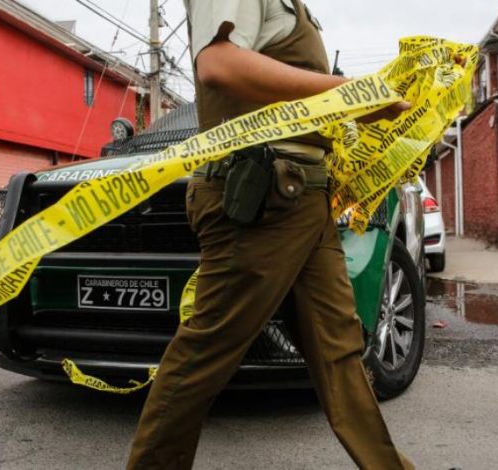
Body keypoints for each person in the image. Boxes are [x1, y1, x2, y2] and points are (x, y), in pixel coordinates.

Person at [126, 1, 414, 469]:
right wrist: (350, 93)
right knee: (203, 356)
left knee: (340, 353)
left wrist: (357, 108)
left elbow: (292, 93)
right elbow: (218, 64)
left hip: (303, 194)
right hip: (262, 195)